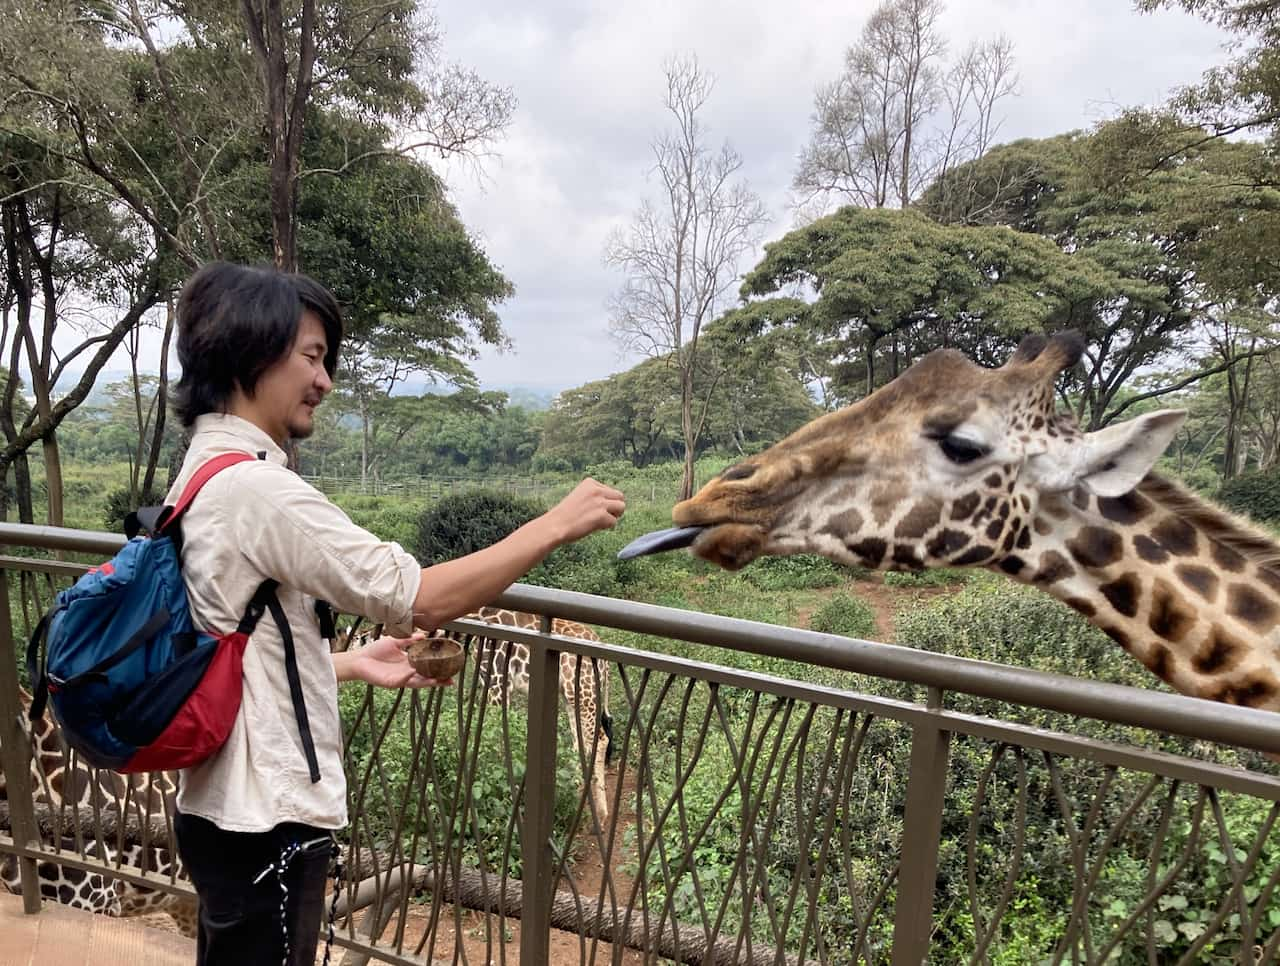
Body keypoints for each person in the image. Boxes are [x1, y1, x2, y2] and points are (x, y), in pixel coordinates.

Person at [166, 261, 625, 965]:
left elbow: (237, 640)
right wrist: (555, 524)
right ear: (251, 353)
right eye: (312, 358)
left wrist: (347, 662)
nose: (325, 380)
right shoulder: (256, 489)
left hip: (221, 809)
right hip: (266, 816)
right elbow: (422, 596)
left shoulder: (203, 467)